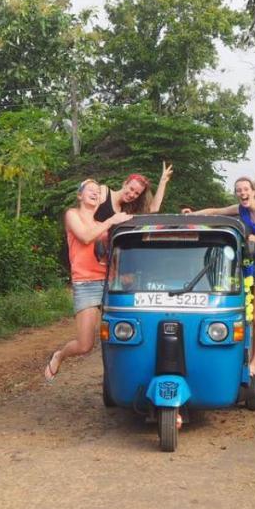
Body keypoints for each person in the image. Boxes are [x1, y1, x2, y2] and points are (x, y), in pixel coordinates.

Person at [186, 177, 255, 382]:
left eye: (246, 189)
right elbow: (215, 212)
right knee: (243, 312)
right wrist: (192, 214)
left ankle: (254, 364)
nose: (242, 193)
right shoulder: (240, 209)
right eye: (239, 190)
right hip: (251, 261)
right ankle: (239, 357)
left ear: (253, 191)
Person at [45, 179, 131, 379]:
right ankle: (59, 355)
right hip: (86, 284)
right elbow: (84, 237)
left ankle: (120, 380)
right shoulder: (72, 215)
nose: (94, 193)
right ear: (80, 196)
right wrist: (111, 221)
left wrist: (121, 274)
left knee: (123, 333)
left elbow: (110, 255)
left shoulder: (101, 224)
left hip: (109, 283)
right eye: (89, 190)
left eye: (97, 192)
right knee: (85, 345)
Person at [95, 162, 173, 221]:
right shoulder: (104, 192)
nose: (132, 195)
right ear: (125, 184)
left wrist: (163, 182)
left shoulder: (126, 209)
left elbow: (153, 209)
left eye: (137, 193)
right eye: (131, 189)